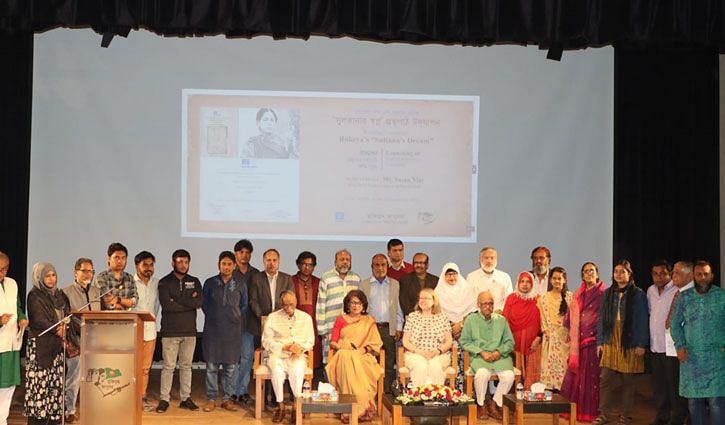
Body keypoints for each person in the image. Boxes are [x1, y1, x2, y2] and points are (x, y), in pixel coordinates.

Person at [594, 260, 649, 425]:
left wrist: (641, 343)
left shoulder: (638, 294)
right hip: (610, 338)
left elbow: (641, 319)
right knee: (606, 379)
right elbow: (602, 319)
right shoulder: (608, 293)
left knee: (628, 380)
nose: (618, 274)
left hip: (630, 340)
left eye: (622, 271)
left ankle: (625, 415)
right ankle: (604, 414)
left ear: (629, 274)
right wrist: (600, 342)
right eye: (616, 271)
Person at [670, 261, 724, 425]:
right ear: (694, 276)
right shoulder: (684, 297)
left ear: (712, 276)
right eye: (699, 274)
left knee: (717, 403)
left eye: (706, 274)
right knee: (694, 403)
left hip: (717, 358)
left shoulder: (721, 296)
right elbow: (674, 324)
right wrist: (680, 346)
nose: (702, 278)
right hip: (691, 358)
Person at [156, 249, 203, 413]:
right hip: (170, 332)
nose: (183, 265)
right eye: (180, 261)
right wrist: (189, 301)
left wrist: (177, 299)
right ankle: (164, 399)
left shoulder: (195, 280)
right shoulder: (164, 282)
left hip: (190, 332)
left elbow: (199, 302)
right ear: (173, 263)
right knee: (168, 367)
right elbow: (167, 306)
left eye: (186, 262)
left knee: (186, 366)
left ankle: (185, 398)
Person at [326, 290, 382, 423]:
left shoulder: (369, 321)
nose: (355, 306)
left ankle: (361, 409)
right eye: (352, 303)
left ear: (363, 305)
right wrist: (343, 347)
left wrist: (363, 349)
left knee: (356, 362)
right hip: (344, 355)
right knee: (346, 358)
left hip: (364, 356)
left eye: (359, 303)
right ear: (347, 305)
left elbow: (375, 344)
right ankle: (349, 410)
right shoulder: (341, 319)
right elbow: (333, 342)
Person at [24, 263, 71, 425]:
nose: (51, 279)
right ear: (39, 277)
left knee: (54, 388)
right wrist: (57, 329)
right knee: (40, 388)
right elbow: (38, 319)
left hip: (56, 348)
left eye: (53, 275)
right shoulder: (34, 295)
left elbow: (67, 313)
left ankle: (53, 420)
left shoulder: (59, 295)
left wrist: (66, 327)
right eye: (47, 276)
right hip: (40, 349)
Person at [560, 262, 606, 422]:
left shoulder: (603, 293)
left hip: (594, 341)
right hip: (577, 342)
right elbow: (569, 315)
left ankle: (591, 412)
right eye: (586, 271)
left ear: (597, 273)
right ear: (582, 275)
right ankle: (575, 410)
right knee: (578, 377)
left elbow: (605, 318)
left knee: (591, 378)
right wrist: (568, 331)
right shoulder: (578, 294)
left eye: (592, 271)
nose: (589, 274)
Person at [460, 291, 515, 421]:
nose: (488, 307)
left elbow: (510, 342)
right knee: (482, 375)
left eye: (491, 303)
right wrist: (480, 352)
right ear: (478, 304)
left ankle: (495, 404)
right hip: (480, 358)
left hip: (499, 358)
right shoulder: (471, 320)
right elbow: (464, 341)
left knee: (509, 376)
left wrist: (499, 352)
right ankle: (481, 404)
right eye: (485, 304)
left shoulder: (501, 320)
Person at [262, 291, 315, 423]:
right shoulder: (273, 317)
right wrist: (283, 347)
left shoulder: (306, 318)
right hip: (278, 355)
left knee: (296, 370)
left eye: (291, 304)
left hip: (297, 355)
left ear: (296, 301)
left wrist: (300, 348)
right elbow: (266, 341)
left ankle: (297, 406)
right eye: (285, 305)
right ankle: (281, 407)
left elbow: (310, 340)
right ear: (281, 304)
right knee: (277, 372)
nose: (288, 308)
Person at [201, 251, 244, 413]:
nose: (226, 267)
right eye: (223, 264)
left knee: (230, 368)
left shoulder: (240, 284)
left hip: (232, 332)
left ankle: (227, 399)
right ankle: (211, 398)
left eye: (229, 264)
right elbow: (204, 304)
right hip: (213, 331)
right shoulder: (210, 283)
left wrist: (234, 316)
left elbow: (244, 305)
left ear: (234, 265)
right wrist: (215, 316)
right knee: (211, 367)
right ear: (219, 265)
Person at [646, 259, 686, 425]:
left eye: (663, 273)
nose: (659, 277)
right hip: (655, 347)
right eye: (655, 274)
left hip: (672, 347)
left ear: (670, 273)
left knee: (673, 385)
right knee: (659, 386)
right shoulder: (650, 291)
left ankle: (676, 418)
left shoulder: (678, 290)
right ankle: (662, 416)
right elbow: (651, 314)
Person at [61, 258, 100, 423]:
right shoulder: (66, 292)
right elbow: (63, 316)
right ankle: (70, 410)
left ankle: (93, 407)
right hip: (75, 340)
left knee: (94, 376)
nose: (88, 274)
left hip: (96, 339)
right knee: (74, 377)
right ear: (75, 272)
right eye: (84, 271)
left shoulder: (97, 291)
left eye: (90, 271)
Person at [361, 254, 403, 393]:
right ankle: (372, 392)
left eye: (383, 265)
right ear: (372, 267)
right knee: (371, 361)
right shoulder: (364, 284)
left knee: (390, 362)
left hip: (388, 328)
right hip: (371, 329)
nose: (380, 268)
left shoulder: (395, 284)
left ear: (387, 266)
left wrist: (398, 327)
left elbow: (398, 307)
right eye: (377, 265)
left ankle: (386, 393)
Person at [434, 262, 477, 391]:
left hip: (466, 332)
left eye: (454, 274)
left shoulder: (468, 290)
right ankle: (450, 392)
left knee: (468, 361)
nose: (452, 277)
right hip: (446, 334)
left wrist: (461, 325)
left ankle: (468, 392)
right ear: (443, 276)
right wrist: (451, 328)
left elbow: (474, 311)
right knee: (450, 361)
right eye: (448, 274)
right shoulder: (438, 293)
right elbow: (436, 314)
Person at [316, 249, 362, 364]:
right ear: (335, 261)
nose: (345, 262)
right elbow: (321, 303)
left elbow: (361, 303)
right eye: (342, 259)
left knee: (349, 360)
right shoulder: (326, 277)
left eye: (347, 260)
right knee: (330, 361)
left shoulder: (356, 278)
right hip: (331, 326)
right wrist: (322, 329)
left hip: (351, 327)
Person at [401, 288, 452, 387]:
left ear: (434, 301)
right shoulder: (412, 317)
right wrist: (420, 352)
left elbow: (449, 341)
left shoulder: (443, 317)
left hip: (438, 354)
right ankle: (418, 397)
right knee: (421, 366)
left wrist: (438, 351)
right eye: (420, 298)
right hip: (415, 354)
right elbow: (405, 341)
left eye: (426, 298)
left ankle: (437, 397)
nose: (422, 301)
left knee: (434, 365)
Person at [0, 252, 28, 425]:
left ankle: (2, 419)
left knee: (9, 386)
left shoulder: (12, 284)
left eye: (3, 269)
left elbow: (17, 306)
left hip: (11, 343)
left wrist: (22, 318)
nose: (0, 273)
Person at [503, 271, 542, 389]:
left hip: (534, 345)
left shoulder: (538, 299)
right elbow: (505, 321)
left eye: (528, 282)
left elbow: (543, 322)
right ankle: (512, 400)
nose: (525, 284)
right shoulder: (511, 298)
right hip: (514, 344)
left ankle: (530, 399)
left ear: (533, 284)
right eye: (522, 281)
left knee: (532, 373)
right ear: (518, 283)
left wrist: (538, 339)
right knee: (513, 374)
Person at [231, 239, 258, 405]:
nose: (244, 255)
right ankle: (232, 391)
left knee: (247, 357)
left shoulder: (255, 274)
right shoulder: (229, 271)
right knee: (233, 358)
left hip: (249, 321)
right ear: (236, 254)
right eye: (241, 252)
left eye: (247, 252)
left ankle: (243, 390)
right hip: (232, 322)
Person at [132, 251, 159, 412]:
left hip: (150, 332)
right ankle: (128, 397)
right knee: (130, 366)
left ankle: (142, 397)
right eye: (145, 264)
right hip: (132, 332)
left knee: (145, 368)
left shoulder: (157, 283)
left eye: (151, 264)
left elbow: (156, 308)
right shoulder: (129, 282)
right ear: (137, 266)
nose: (149, 268)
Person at [538, 266, 572, 391]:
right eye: (554, 278)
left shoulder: (570, 297)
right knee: (549, 371)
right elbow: (542, 319)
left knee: (565, 371)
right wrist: (547, 332)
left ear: (564, 280)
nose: (557, 281)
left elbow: (574, 320)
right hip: (550, 339)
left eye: (560, 278)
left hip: (567, 340)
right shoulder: (543, 298)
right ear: (550, 280)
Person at [291, 251, 323, 382]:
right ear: (298, 265)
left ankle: (312, 385)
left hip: (314, 324)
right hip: (296, 324)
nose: (307, 267)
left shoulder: (318, 282)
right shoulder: (290, 280)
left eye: (310, 265)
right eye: (304, 264)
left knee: (315, 352)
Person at [466, 247, 513, 314]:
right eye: (486, 258)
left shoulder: (505, 277)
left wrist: (500, 310)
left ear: (496, 260)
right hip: (478, 317)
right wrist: (480, 312)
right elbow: (469, 300)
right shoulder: (471, 277)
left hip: (500, 316)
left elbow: (509, 299)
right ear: (480, 260)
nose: (489, 261)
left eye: (492, 258)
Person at [95, 242, 137, 311]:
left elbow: (134, 301)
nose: (120, 261)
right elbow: (107, 301)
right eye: (116, 258)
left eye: (123, 258)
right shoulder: (102, 278)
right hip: (106, 319)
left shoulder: (129, 278)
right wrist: (123, 305)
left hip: (127, 320)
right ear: (109, 258)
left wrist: (118, 300)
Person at [398, 252, 438, 318]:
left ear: (427, 265)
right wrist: (417, 316)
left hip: (431, 319)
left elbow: (436, 302)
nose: (418, 265)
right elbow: (404, 303)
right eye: (416, 263)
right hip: (412, 319)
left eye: (421, 263)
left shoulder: (435, 280)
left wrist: (428, 314)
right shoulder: (405, 280)